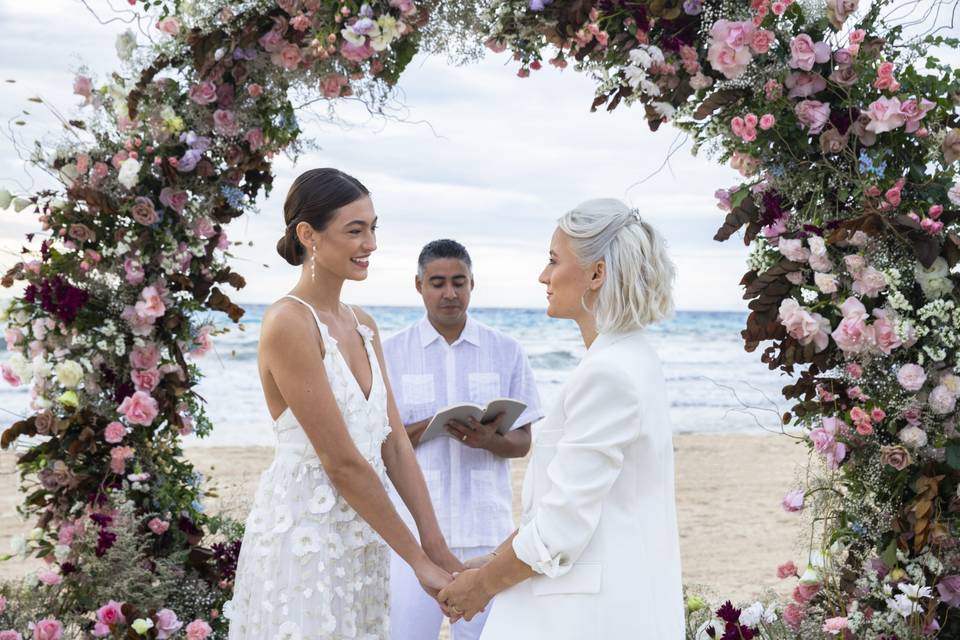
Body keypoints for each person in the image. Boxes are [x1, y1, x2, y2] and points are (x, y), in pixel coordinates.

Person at [224, 169, 461, 639]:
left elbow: (394, 446)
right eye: (355, 230)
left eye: (373, 227)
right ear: (308, 234)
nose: (370, 243)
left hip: (363, 539)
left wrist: (438, 550)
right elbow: (341, 462)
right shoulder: (288, 323)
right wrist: (416, 562)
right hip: (304, 539)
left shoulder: (364, 324)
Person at [437, 199, 685, 638]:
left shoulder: (609, 372)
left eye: (554, 260)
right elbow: (568, 500)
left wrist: (482, 586)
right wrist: (497, 557)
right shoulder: (630, 356)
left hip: (584, 614)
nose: (543, 275)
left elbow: (562, 524)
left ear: (596, 273)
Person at [382, 239, 544, 640]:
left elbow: (524, 442)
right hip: (412, 536)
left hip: (485, 529)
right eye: (437, 282)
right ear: (418, 284)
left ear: (473, 283)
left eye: (459, 282)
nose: (449, 293)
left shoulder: (506, 350)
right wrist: (430, 426)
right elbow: (378, 444)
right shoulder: (389, 353)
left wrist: (489, 440)